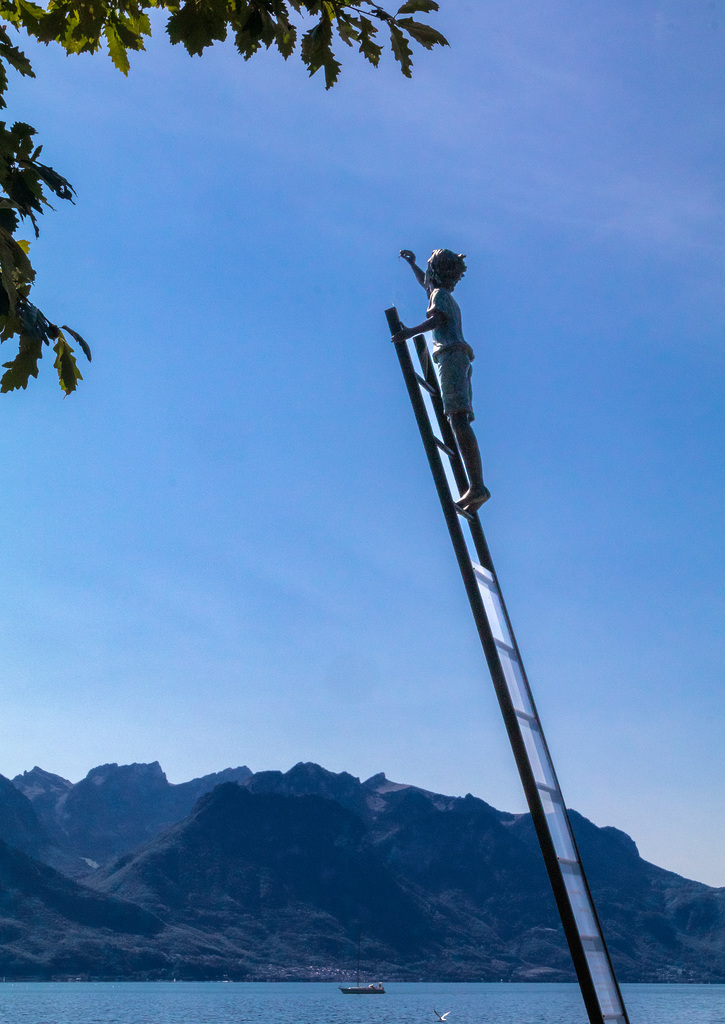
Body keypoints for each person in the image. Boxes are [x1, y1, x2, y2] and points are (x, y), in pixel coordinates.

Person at [392, 248, 491, 511]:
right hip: (456, 358)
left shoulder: (440, 297)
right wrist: (413, 265)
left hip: (451, 358)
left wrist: (410, 333)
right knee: (457, 419)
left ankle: (477, 485)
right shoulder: (441, 293)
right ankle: (476, 485)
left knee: (457, 419)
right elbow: (426, 284)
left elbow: (436, 319)